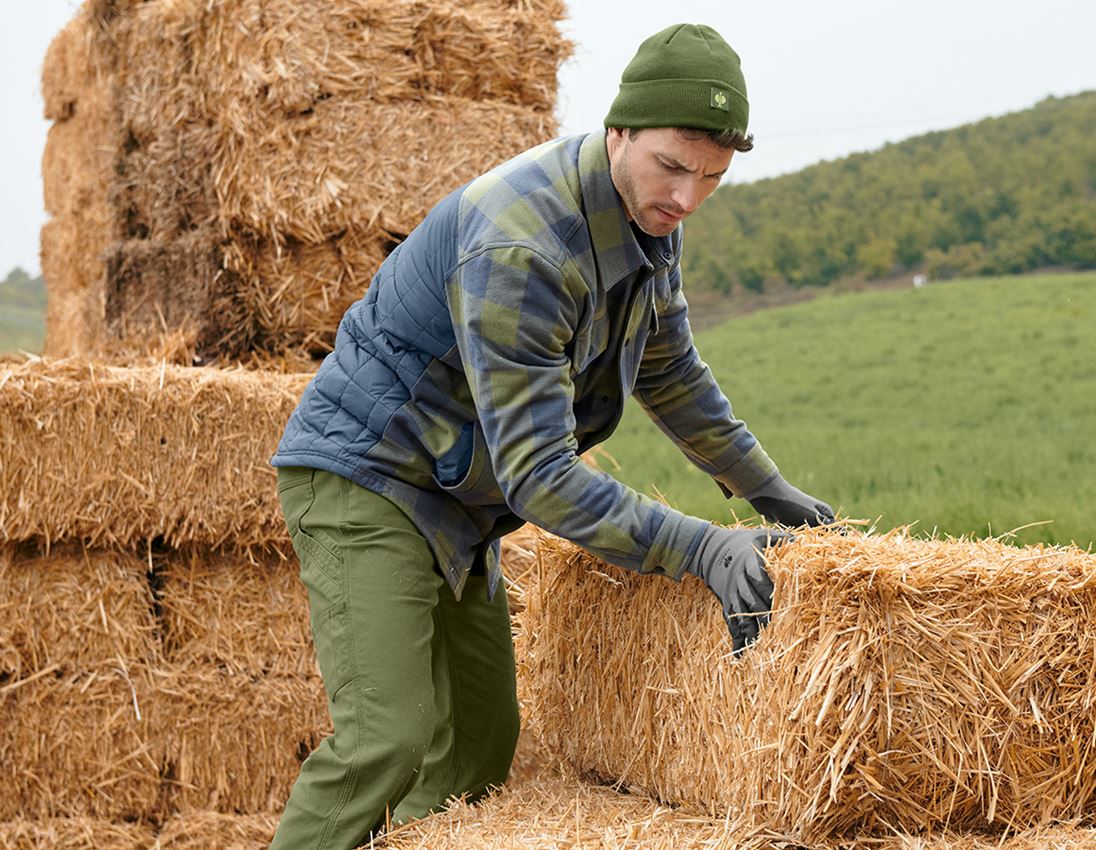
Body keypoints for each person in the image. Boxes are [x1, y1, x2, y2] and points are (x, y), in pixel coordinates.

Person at [268, 23, 834, 850]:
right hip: (372, 474)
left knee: (479, 751)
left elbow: (671, 373)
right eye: (672, 167)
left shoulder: (651, 225)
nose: (686, 197)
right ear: (618, 133)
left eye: (712, 178)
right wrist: (702, 548)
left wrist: (768, 488)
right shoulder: (521, 244)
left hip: (458, 495)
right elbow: (538, 475)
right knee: (385, 741)